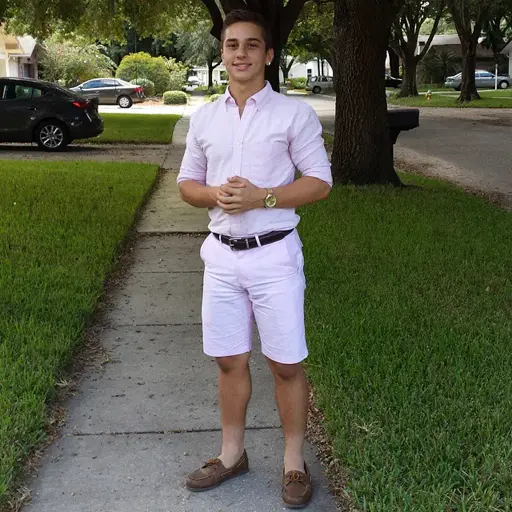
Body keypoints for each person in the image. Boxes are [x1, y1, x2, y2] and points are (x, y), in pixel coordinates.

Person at [177, 9, 332, 509]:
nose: (240, 53)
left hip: (274, 258)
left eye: (250, 45)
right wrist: (215, 196)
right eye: (231, 45)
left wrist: (262, 197)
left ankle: (293, 463)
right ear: (222, 54)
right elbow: (187, 184)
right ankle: (231, 454)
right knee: (228, 360)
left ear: (268, 55)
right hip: (221, 258)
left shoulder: (294, 115)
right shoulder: (203, 118)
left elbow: (319, 182)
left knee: (286, 364)